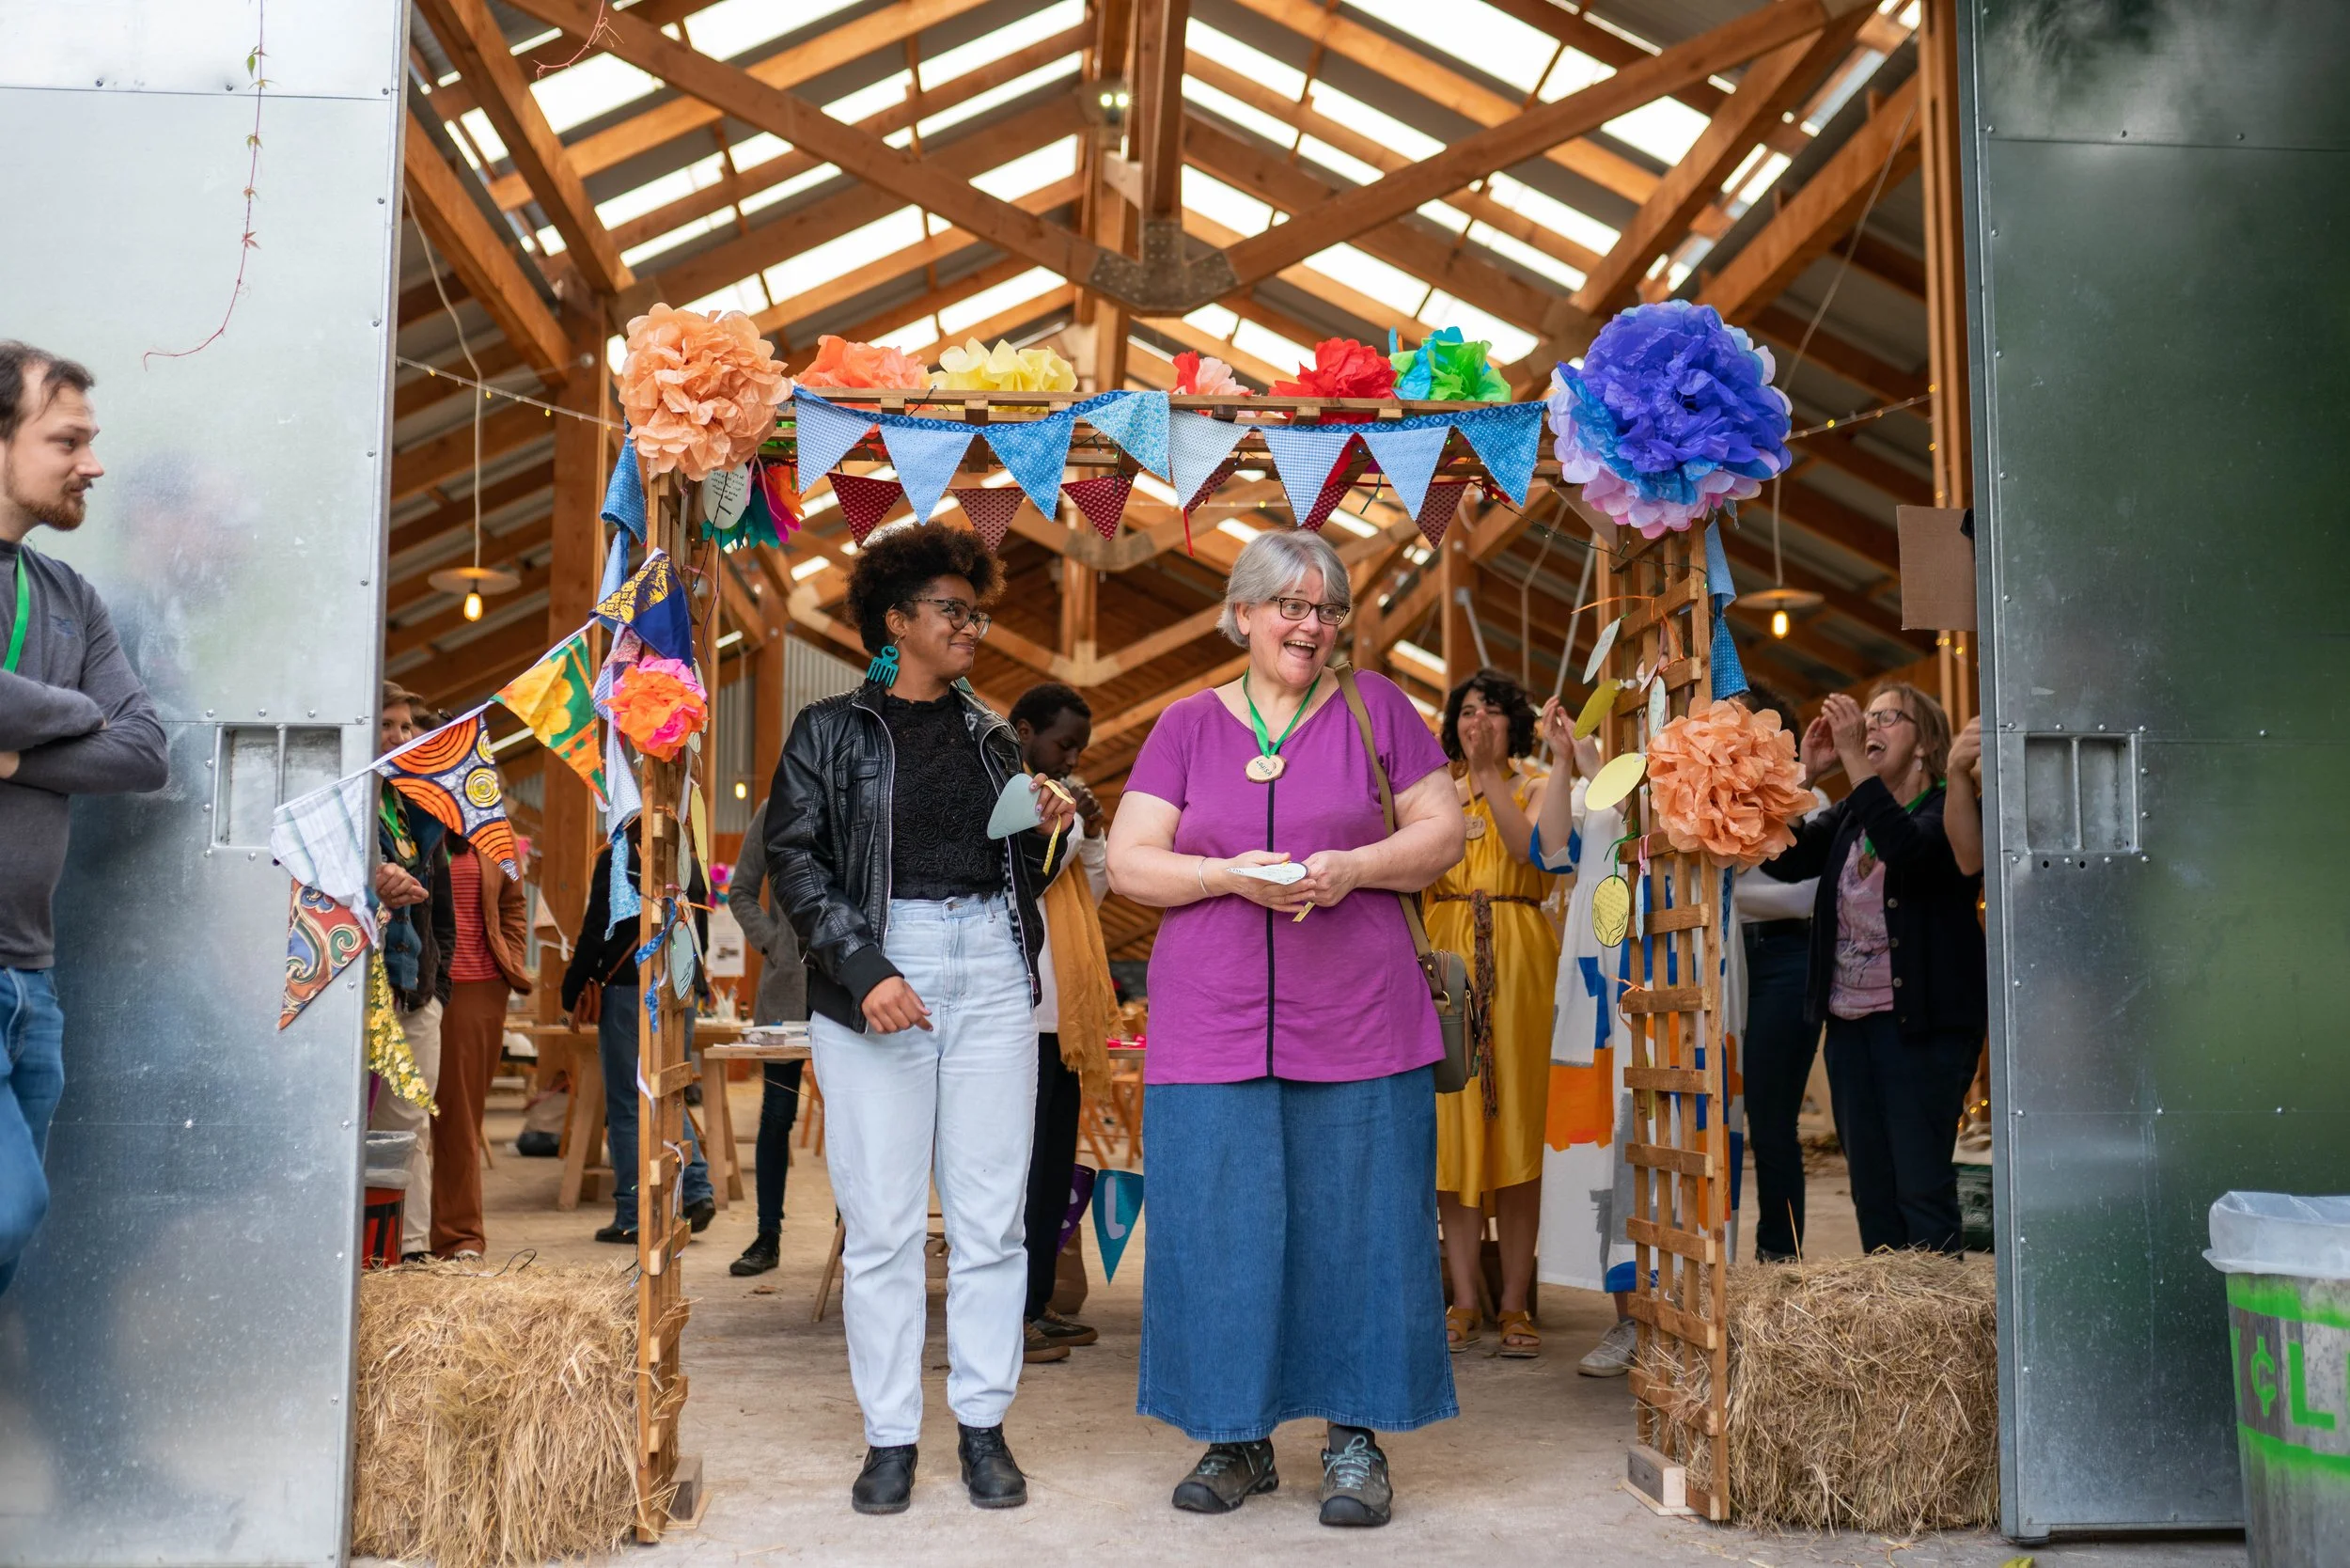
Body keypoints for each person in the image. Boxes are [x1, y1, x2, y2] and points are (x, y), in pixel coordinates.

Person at [1106, 529, 1466, 1529]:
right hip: (1212, 1020)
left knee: (1364, 1224)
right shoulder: (1184, 725)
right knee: (1219, 1228)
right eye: (1290, 606)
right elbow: (1131, 862)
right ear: (1244, 614)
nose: (1310, 625)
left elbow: (1444, 832)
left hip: (1361, 1015)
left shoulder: (1378, 709)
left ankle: (1356, 1438)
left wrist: (1354, 865)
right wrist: (1224, 876)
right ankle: (1235, 1438)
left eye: (1327, 609)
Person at [764, 522, 1073, 1515]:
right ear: (894, 621)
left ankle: (983, 1426)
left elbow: (1015, 873)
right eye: (953, 610)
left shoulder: (992, 736)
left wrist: (1052, 830)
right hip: (881, 971)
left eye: (977, 611)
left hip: (989, 966)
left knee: (992, 1224)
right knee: (886, 1225)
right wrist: (863, 967)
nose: (973, 626)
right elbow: (797, 860)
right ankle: (890, 1436)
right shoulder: (827, 732)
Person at [0, 343, 168, 1298]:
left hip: (32, 979)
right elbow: (103, 727)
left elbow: (145, 752)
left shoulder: (70, 595)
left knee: (21, 1225)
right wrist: (71, 711)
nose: (93, 464)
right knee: (8, 1208)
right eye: (68, 440)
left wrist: (17, 754)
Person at [1773, 683, 1985, 1253]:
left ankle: (1937, 1325)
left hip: (1925, 1026)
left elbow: (1910, 852)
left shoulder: (1949, 806)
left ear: (1924, 743)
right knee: (1871, 1187)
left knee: (1919, 1183)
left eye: (1888, 717)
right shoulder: (1849, 815)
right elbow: (1786, 858)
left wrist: (1850, 763)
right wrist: (1807, 779)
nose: (1870, 727)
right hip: (1850, 1026)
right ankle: (1891, 1326)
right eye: (1867, 717)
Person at [1429, 670, 1559, 1359]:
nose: (1478, 721)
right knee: (1454, 1130)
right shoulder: (1434, 795)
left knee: (1516, 1126)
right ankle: (1462, 1298)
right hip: (1450, 957)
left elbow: (1526, 853)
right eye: (1467, 711)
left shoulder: (1536, 785)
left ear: (1517, 723)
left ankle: (1515, 1301)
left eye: (1493, 712)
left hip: (1519, 957)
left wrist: (1488, 776)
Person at [1008, 682, 1115, 1366]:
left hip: (1060, 1022)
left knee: (1050, 1175)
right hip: (1016, 1021)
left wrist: (1095, 833)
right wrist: (1073, 826)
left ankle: (1039, 1304)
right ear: (1023, 733)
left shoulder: (1062, 809)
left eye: (1080, 748)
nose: (1072, 758)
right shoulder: (1012, 800)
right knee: (1019, 1176)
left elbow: (1090, 896)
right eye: (1062, 743)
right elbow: (1031, 878)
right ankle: (1011, 1314)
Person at [561, 824, 718, 1244]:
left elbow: (598, 928)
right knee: (668, 1090)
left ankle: (633, 1214)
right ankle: (697, 1189)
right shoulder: (684, 853)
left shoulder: (617, 855)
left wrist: (572, 987)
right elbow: (699, 930)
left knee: (630, 1103)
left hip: (631, 987)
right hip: (681, 985)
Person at [424, 721, 534, 1262]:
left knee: (459, 1115)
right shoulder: (403, 818)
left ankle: (460, 1237)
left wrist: (507, 956)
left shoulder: (494, 833)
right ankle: (402, 1233)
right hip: (416, 983)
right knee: (404, 1113)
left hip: (477, 989)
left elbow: (513, 905)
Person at [1730, 685, 1826, 1264]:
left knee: (1771, 1120)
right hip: (1722, 958)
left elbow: (1808, 898)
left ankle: (1777, 1262)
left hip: (1785, 962)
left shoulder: (1807, 799)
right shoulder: (1700, 802)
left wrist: (1733, 894)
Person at [368, 682, 457, 1262]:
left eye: (406, 726)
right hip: (358, 993)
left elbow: (442, 912)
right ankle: (361, 1255)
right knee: (359, 1129)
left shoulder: (418, 807)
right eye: (387, 725)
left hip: (416, 995)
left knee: (412, 1130)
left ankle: (413, 1252)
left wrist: (438, 989)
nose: (400, 737)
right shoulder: (345, 804)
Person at [725, 792, 808, 1278]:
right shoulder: (774, 809)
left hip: (851, 990)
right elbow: (740, 891)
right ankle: (766, 1235)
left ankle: (852, 1235)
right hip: (784, 994)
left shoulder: (857, 799)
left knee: (852, 1120)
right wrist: (774, 942)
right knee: (776, 1116)